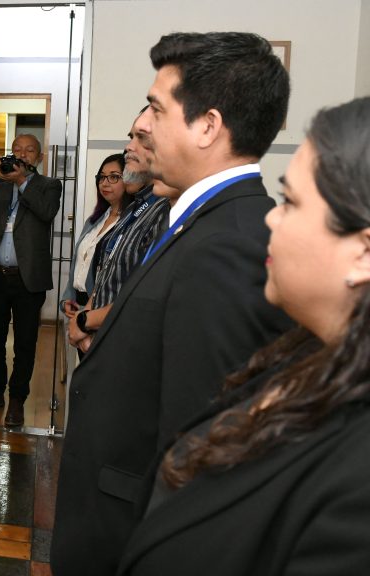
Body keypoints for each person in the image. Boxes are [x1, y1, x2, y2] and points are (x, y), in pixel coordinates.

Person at [51, 31, 294, 575]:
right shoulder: (200, 222)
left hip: (136, 535)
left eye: (157, 109)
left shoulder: (228, 245)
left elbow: (200, 450)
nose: (144, 125)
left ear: (207, 126)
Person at [118, 96, 370, 575]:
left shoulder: (358, 483)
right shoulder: (303, 359)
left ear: (363, 253)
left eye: (291, 203)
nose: (271, 217)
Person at [0, 134, 62, 427]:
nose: (22, 154)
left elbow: (46, 212)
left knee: (25, 343)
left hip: (28, 279)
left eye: (29, 150)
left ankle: (18, 399)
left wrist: (21, 181)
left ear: (39, 157)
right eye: (17, 149)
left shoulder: (49, 185)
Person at [67, 115, 172, 353]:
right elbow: (107, 272)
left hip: (122, 339)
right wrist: (84, 317)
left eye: (141, 138)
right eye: (131, 138)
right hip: (97, 328)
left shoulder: (163, 210)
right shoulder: (134, 210)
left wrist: (85, 322)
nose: (129, 148)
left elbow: (144, 295)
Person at [60, 154, 128, 352]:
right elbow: (78, 263)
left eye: (114, 177)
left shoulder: (130, 224)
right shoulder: (94, 220)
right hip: (79, 306)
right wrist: (68, 299)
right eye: (102, 177)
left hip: (103, 311)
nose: (105, 183)